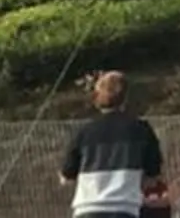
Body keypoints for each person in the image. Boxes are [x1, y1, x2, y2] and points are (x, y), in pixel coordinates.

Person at [60, 71, 164, 218]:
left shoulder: (84, 132)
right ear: (125, 99)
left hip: (86, 210)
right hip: (124, 209)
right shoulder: (141, 129)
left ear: (96, 97)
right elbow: (153, 176)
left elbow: (66, 177)